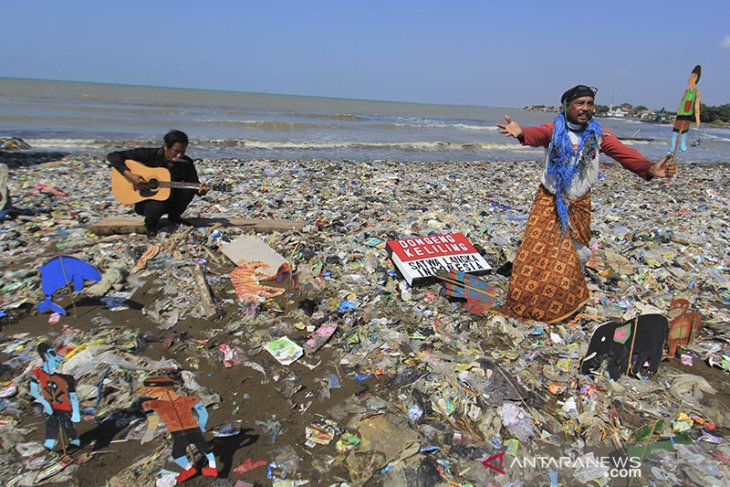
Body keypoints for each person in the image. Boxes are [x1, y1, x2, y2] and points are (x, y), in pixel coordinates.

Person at [495, 85, 676, 324]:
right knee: (535, 252)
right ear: (567, 106)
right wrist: (520, 134)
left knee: (577, 252)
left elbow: (624, 154)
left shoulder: (599, 135)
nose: (585, 108)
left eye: (589, 103)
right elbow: (536, 135)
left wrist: (649, 168)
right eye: (579, 103)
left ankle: (567, 301)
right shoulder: (554, 129)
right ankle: (527, 301)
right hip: (550, 198)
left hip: (579, 201)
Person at [107, 130, 208, 236]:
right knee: (158, 207)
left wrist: (201, 191)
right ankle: (150, 226)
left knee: (188, 191)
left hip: (173, 200)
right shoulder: (149, 155)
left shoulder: (186, 162)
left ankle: (174, 217)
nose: (179, 155)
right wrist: (129, 175)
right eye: (176, 151)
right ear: (165, 147)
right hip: (148, 200)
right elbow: (113, 156)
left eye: (183, 151)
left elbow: (194, 184)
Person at [139, 376, 218, 482]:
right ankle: (205, 468)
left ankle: (194, 469)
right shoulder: (156, 404)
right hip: (189, 430)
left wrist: (202, 425)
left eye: (152, 391)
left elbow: (153, 421)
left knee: (181, 453)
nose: (149, 394)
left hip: (183, 431)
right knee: (202, 449)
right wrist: (201, 425)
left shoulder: (159, 404)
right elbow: (203, 413)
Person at [30, 342, 81, 451]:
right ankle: (50, 449)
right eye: (52, 354)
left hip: (65, 408)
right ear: (45, 356)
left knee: (69, 428)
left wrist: (76, 412)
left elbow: (73, 395)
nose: (59, 358)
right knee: (51, 431)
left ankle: (74, 443)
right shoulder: (37, 373)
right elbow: (34, 392)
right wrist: (45, 404)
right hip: (50, 407)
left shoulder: (67, 378)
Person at [668, 65, 701, 154]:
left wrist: (698, 118)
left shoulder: (696, 92)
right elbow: (680, 104)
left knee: (684, 132)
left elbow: (696, 106)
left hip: (688, 114)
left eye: (692, 77)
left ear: (696, 79)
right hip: (681, 114)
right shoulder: (685, 92)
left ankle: (683, 145)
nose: (689, 79)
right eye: (689, 77)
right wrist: (677, 115)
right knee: (675, 132)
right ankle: (672, 147)